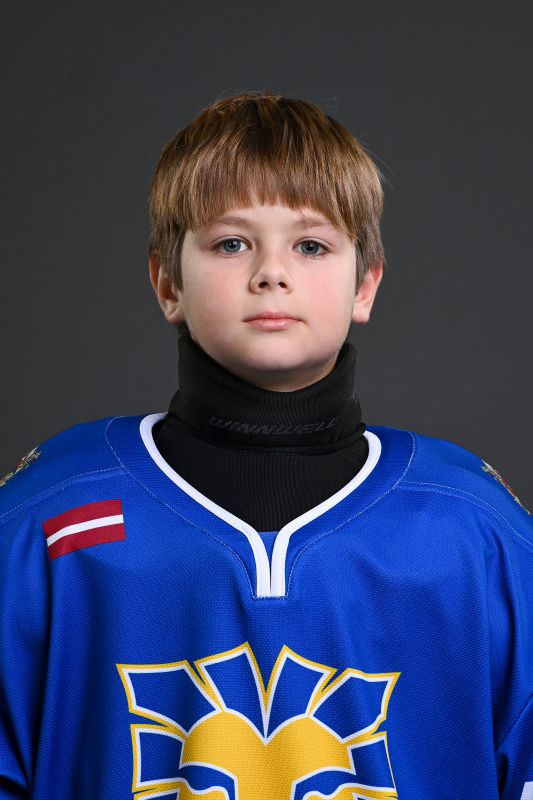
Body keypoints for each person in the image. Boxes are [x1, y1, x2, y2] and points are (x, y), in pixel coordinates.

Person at [0, 92, 532, 800]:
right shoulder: (49, 516)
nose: (270, 273)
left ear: (365, 284)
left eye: (310, 245)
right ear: (167, 281)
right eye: (231, 243)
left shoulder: (473, 527)